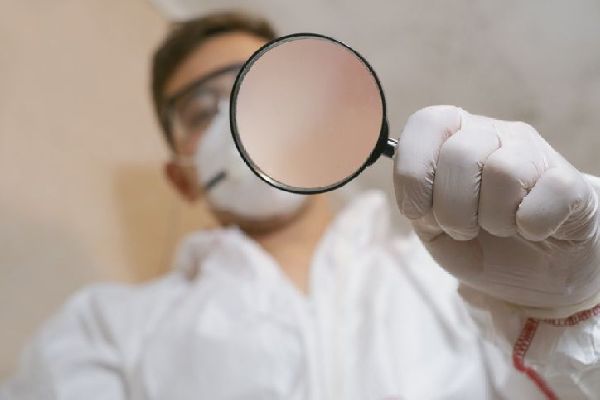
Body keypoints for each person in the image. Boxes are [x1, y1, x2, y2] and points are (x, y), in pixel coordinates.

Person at [2, 10, 600, 400]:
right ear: (181, 178)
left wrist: (574, 308)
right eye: (202, 110)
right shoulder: (105, 329)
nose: (237, 118)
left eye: (263, 89)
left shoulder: (465, 285)